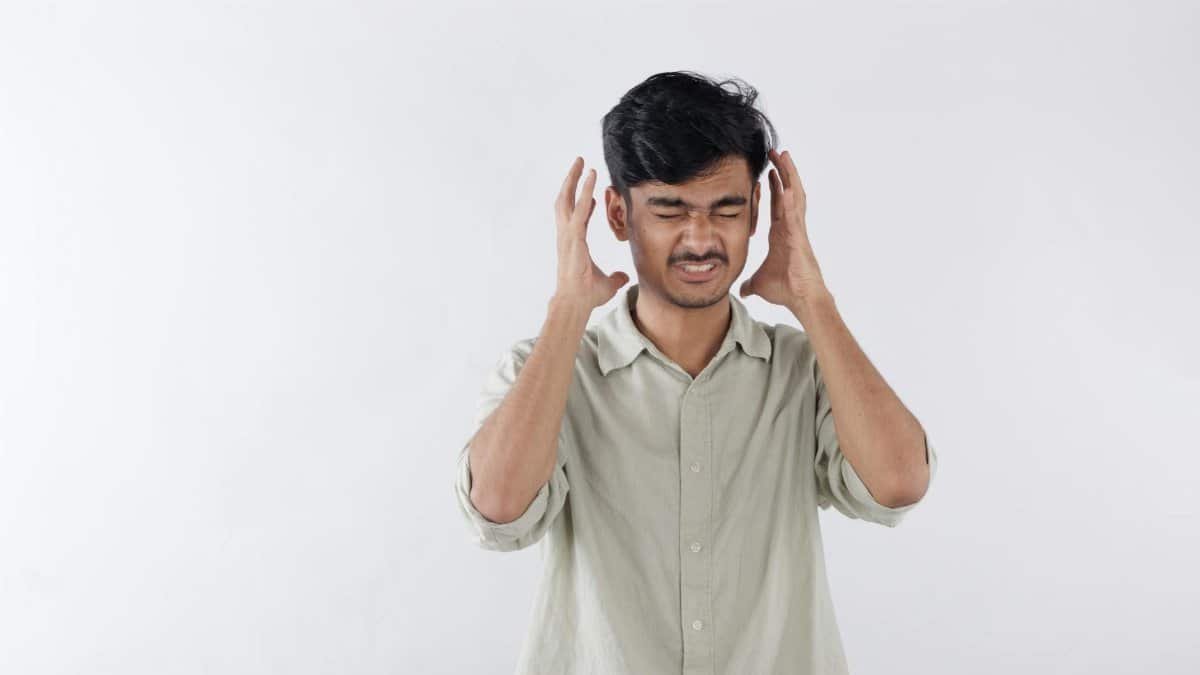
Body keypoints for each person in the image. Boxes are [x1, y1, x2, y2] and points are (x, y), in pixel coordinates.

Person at [453, 70, 939, 675]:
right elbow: (498, 510)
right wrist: (567, 309)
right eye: (670, 210)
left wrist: (812, 299)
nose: (701, 239)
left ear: (756, 211)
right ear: (618, 214)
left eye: (727, 209)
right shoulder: (546, 371)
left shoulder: (805, 369)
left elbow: (898, 484)